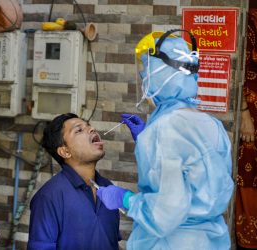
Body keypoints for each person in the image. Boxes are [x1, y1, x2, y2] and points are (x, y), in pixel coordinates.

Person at [96, 30, 234, 249]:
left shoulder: (164, 129)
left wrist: (125, 199)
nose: (143, 77)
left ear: (160, 73)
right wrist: (147, 140)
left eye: (145, 69)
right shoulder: (211, 124)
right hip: (210, 241)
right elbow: (201, 180)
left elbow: (164, 214)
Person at [28, 113, 121, 250]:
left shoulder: (108, 187)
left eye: (89, 125)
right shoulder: (48, 197)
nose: (91, 129)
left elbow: (112, 244)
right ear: (65, 151)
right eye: (79, 130)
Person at [235, 8, 257, 250]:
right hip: (252, 111)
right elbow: (237, 62)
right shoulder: (250, 16)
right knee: (249, 179)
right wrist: (243, 112)